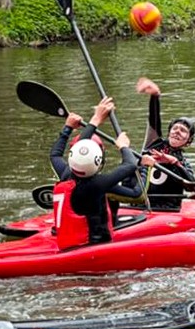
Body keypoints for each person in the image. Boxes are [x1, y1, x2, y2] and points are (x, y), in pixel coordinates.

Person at [48, 96, 155, 249]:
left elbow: (55, 154)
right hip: (91, 247)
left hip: (68, 243)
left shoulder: (65, 173)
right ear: (99, 160)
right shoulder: (98, 184)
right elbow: (137, 190)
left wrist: (74, 126)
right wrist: (142, 163)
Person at [135, 76, 195, 211]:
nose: (177, 132)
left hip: (167, 210)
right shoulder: (153, 145)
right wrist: (155, 96)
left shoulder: (181, 162)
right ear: (169, 132)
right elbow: (154, 121)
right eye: (175, 128)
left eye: (183, 131)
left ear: (188, 141)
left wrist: (174, 163)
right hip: (141, 206)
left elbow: (193, 185)